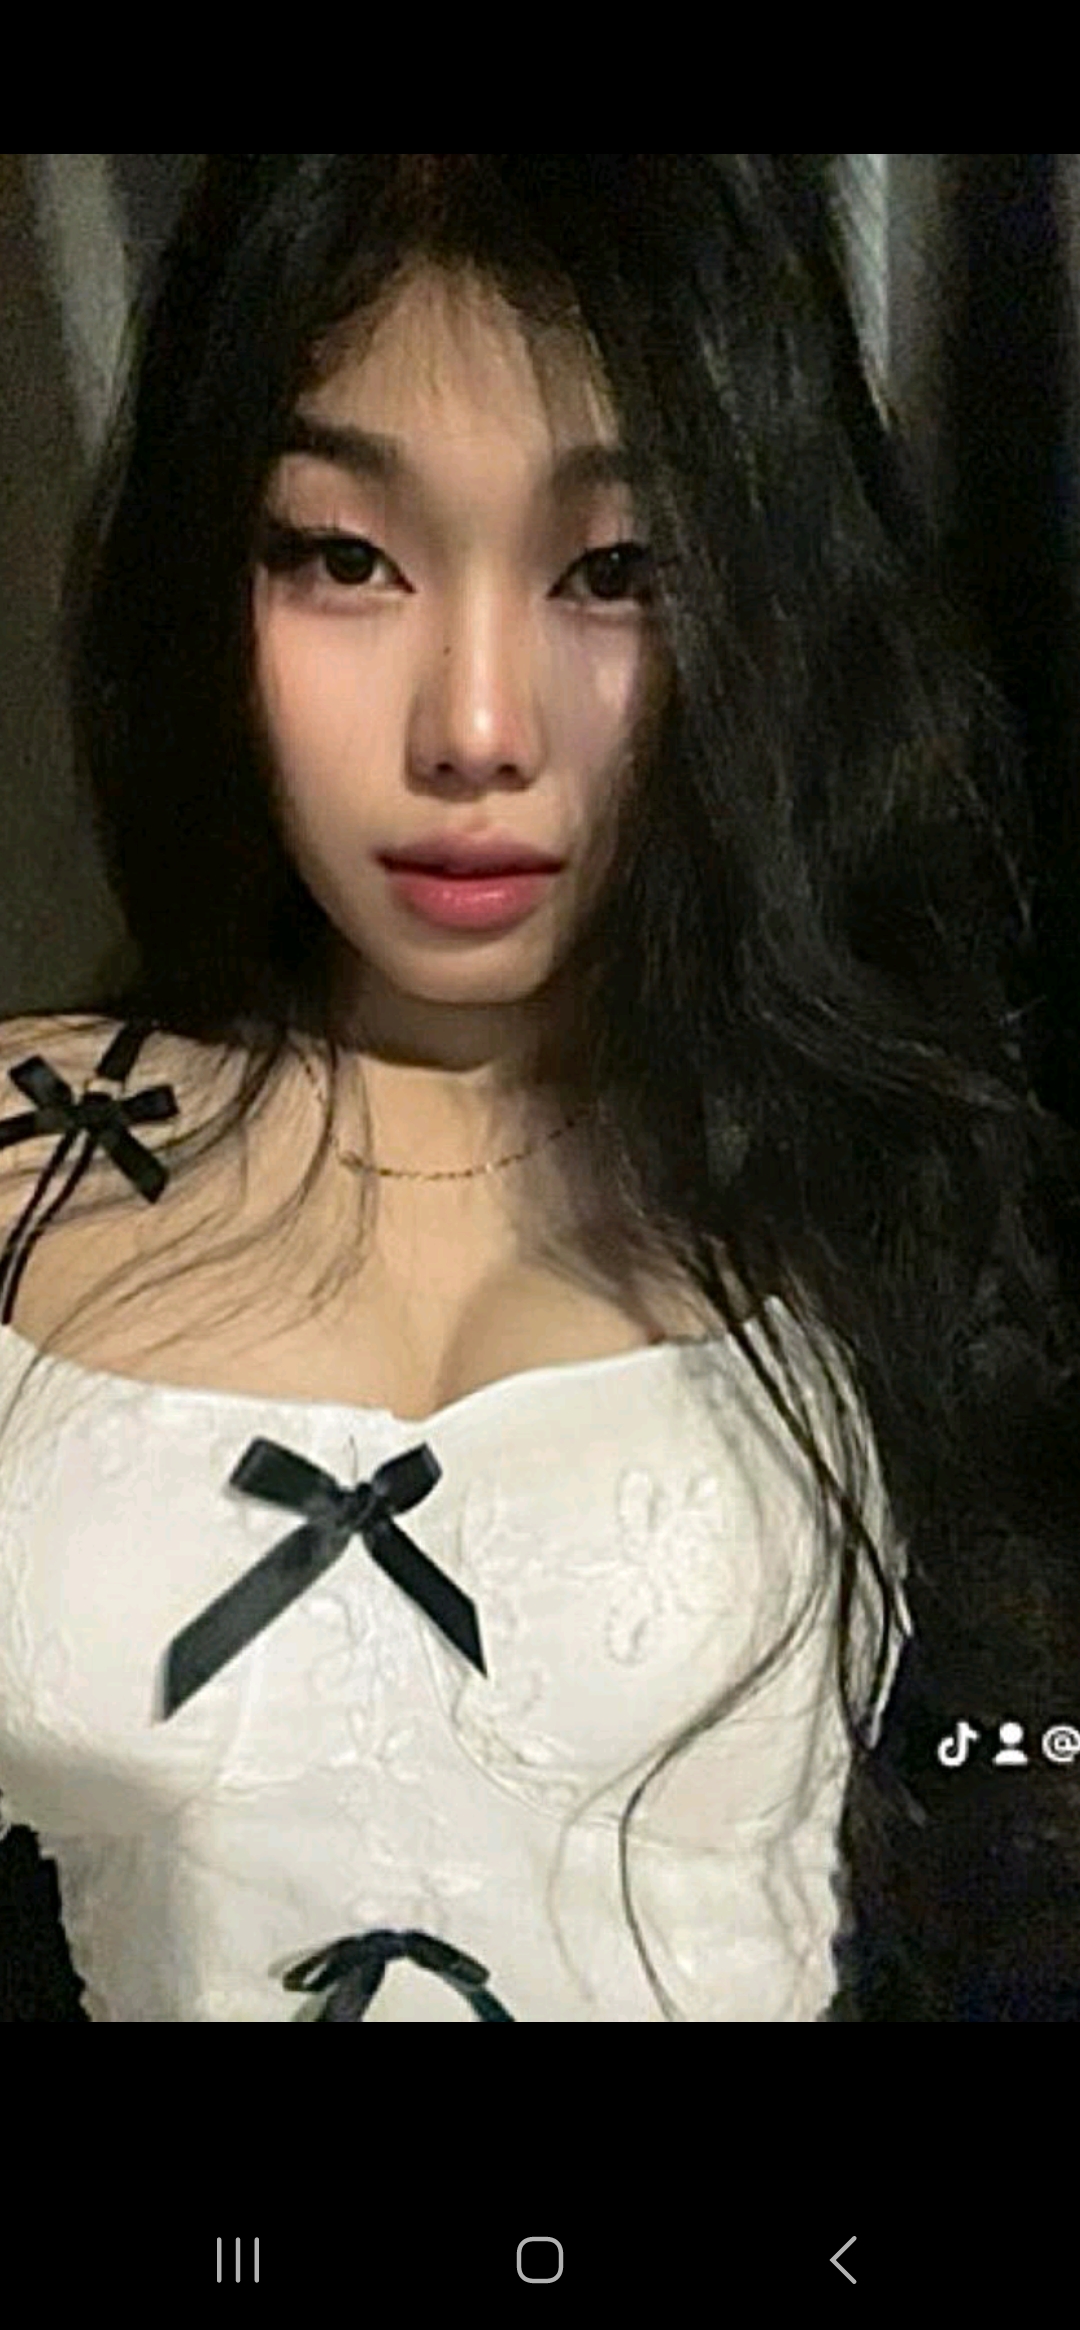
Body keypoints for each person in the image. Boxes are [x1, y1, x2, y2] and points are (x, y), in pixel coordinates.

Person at [0, 155, 1078, 2021]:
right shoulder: (26, 1160)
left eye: (617, 572)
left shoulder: (919, 1194)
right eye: (345, 558)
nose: (477, 729)